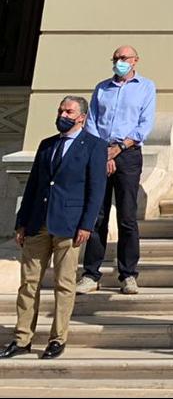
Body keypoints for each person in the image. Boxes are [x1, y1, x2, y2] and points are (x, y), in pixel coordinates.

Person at [2, 97, 106, 360]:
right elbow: (34, 185)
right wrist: (21, 221)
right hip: (38, 222)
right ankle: (22, 338)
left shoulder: (94, 146)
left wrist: (86, 224)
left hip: (69, 225)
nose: (63, 114)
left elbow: (96, 191)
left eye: (69, 111)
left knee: (64, 283)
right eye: (61, 110)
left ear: (81, 117)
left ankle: (58, 338)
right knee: (29, 283)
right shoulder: (47, 145)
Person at [78, 45, 154, 295]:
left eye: (124, 58)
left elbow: (144, 124)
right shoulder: (102, 88)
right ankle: (91, 273)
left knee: (127, 216)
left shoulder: (145, 87)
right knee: (97, 215)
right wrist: (103, 152)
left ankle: (128, 274)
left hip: (128, 155)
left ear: (135, 61)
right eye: (116, 58)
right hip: (100, 152)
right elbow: (91, 123)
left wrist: (118, 148)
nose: (119, 62)